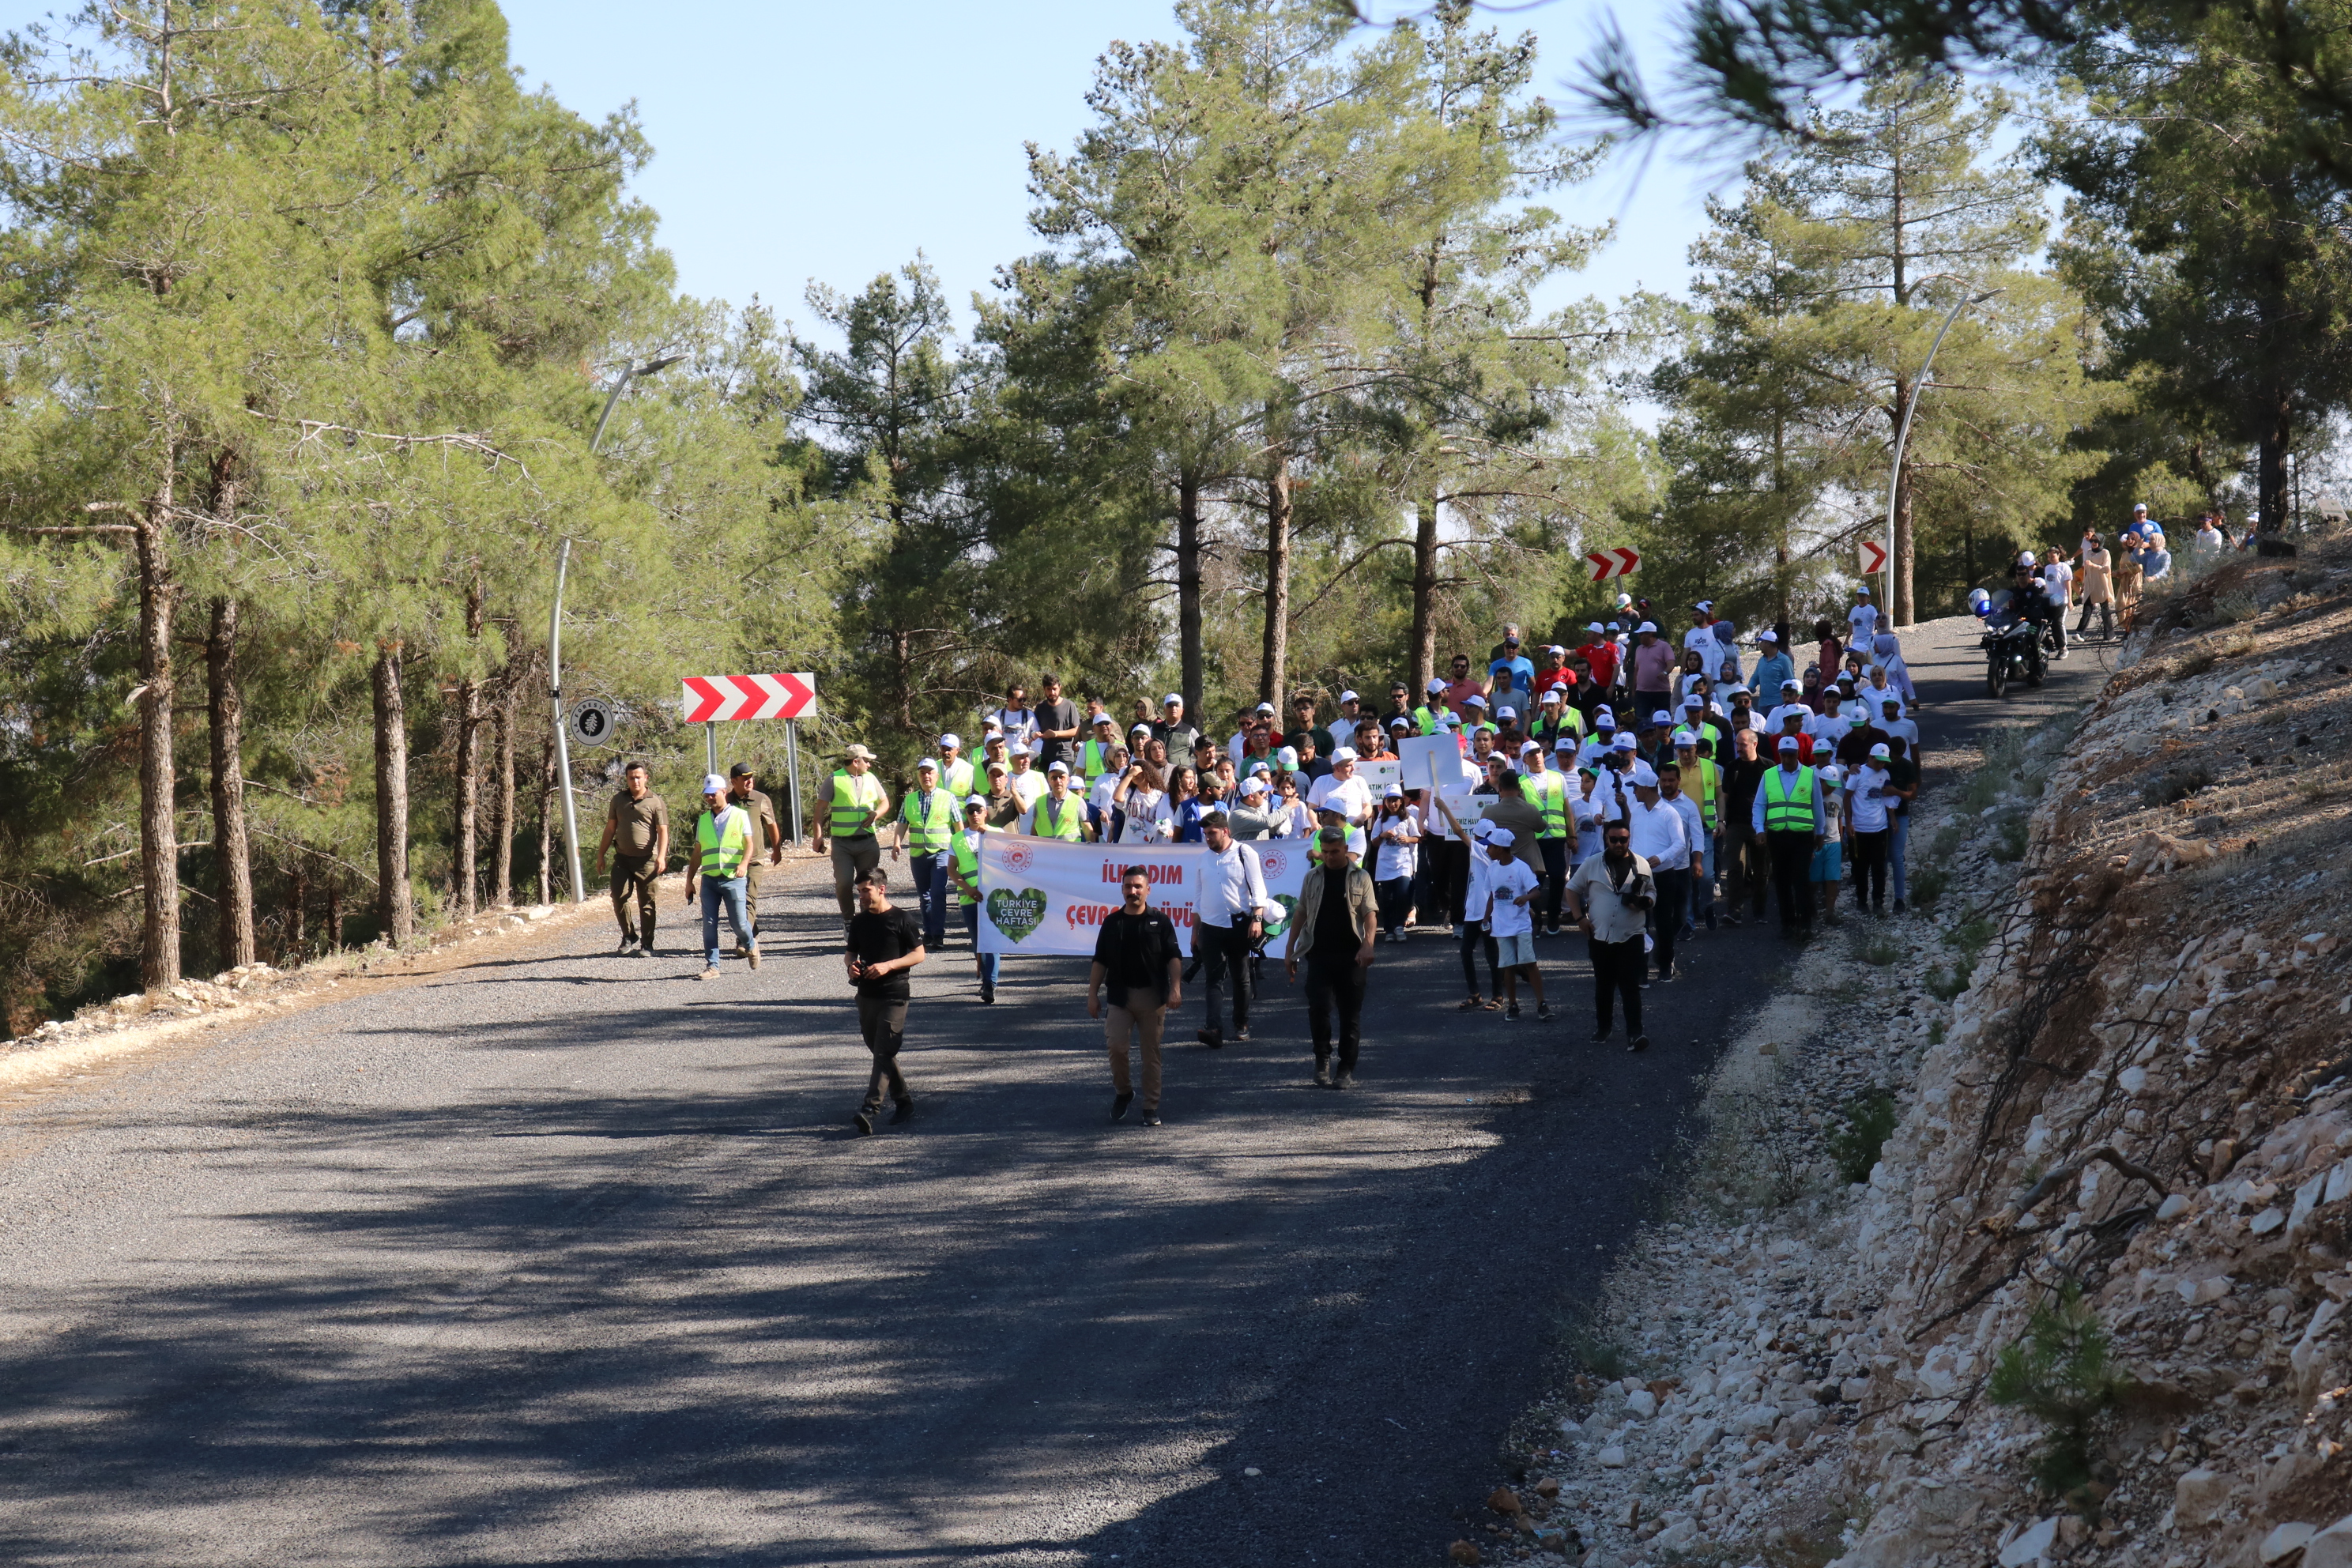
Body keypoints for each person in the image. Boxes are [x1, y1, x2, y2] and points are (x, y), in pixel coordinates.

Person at [1284, 824, 1378, 1088]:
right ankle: (1322, 1060)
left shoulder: (1361, 878)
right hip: (1319, 954)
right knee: (1319, 1008)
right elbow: (1300, 912)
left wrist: (1368, 945)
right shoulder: (1312, 877)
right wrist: (1290, 950)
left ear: (1346, 850)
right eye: (1324, 852)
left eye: (1335, 852)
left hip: (1352, 956)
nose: (1329, 857)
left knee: (1350, 1015)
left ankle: (1346, 1068)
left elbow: (1371, 914)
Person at [1087, 865, 1183, 1125]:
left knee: (1150, 1055)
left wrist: (1176, 988)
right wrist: (1092, 995)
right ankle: (1124, 1092)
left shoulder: (1160, 921)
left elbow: (1174, 957)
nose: (1133, 891)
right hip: (1120, 998)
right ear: (1122, 890)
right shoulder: (1112, 923)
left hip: (1153, 1000)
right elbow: (1100, 961)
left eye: (1138, 887)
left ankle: (1150, 1106)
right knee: (1116, 1048)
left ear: (1148, 890)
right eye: (1128, 887)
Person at [843, 867, 923, 1135]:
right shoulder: (859, 921)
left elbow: (918, 954)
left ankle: (870, 1109)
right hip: (866, 996)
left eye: (865, 891)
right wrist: (851, 967)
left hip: (894, 996)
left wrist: (889, 966)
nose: (862, 897)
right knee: (880, 1052)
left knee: (884, 1051)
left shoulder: (902, 919)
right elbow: (850, 953)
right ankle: (904, 1102)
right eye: (859, 892)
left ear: (881, 888)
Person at [1566, 820, 1653, 1051]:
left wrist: (1647, 901)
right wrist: (1579, 918)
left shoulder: (1642, 864)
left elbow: (1652, 890)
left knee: (1630, 986)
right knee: (1604, 985)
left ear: (1629, 839)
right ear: (1606, 838)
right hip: (1600, 935)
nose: (1618, 844)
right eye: (1613, 839)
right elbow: (1572, 889)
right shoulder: (1592, 863)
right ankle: (1603, 1028)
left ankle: (1635, 1034)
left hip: (1632, 934)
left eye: (1623, 840)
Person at [1193, 810, 1270, 1048]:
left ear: (1225, 831)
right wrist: (1195, 931)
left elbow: (1258, 889)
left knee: (1240, 977)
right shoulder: (1203, 858)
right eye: (1205, 834)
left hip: (1239, 925)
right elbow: (1198, 897)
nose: (1208, 838)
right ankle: (1213, 1028)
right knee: (1213, 979)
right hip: (1210, 927)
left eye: (1212, 833)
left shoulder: (1244, 853)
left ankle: (1242, 1023)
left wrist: (1257, 919)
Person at [1623, 763, 1693, 984]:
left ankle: (1665, 965)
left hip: (1663, 875)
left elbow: (1680, 843)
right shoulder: (1636, 813)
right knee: (1639, 924)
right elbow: (1632, 843)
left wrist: (1660, 858)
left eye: (1636, 788)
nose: (1633, 791)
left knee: (1664, 921)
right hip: (1641, 876)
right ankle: (1641, 970)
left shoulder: (1669, 813)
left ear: (1646, 788)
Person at [684, 773, 758, 980]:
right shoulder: (703, 820)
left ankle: (751, 944)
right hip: (709, 879)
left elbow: (749, 844)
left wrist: (744, 864)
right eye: (706, 795)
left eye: (712, 794)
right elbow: (697, 852)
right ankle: (712, 966)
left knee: (739, 925)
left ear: (724, 792)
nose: (709, 798)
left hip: (733, 877)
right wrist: (689, 881)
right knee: (709, 924)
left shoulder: (740, 815)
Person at [594, 760, 669, 956]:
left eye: (638, 777)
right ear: (626, 779)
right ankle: (629, 935)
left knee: (647, 903)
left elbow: (663, 831)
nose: (635, 781)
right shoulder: (618, 800)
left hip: (646, 861)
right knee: (618, 898)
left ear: (646, 778)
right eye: (631, 778)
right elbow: (610, 829)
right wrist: (601, 855)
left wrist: (661, 857)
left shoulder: (655, 801)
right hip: (622, 860)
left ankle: (647, 943)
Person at [1753, 735, 1825, 938]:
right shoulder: (1769, 775)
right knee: (1782, 881)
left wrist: (1819, 832)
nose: (1786, 759)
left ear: (1797, 755)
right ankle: (1788, 923)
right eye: (1783, 755)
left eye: (1790, 755)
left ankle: (1805, 922)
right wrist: (1759, 828)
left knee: (1801, 879)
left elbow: (1817, 806)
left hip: (1802, 836)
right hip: (1777, 836)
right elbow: (1760, 804)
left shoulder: (1810, 776)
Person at [1479, 827, 1549, 1021]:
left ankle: (1541, 1003)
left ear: (1500, 848)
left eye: (1490, 847)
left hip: (1520, 924)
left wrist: (1525, 897)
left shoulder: (1521, 868)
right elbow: (1493, 895)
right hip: (1501, 927)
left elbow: (1536, 891)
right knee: (1508, 966)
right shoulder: (1492, 868)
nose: (1487, 850)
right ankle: (1513, 1005)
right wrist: (1486, 917)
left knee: (1529, 963)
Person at [816, 744, 889, 926]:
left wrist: (876, 814)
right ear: (856, 762)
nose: (869, 765)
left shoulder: (871, 778)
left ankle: (867, 921)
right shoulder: (834, 779)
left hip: (867, 842)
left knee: (869, 884)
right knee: (844, 883)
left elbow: (885, 802)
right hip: (842, 844)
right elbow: (820, 808)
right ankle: (849, 921)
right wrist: (818, 836)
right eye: (867, 761)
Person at [891, 756, 959, 951]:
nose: (926, 776)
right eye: (922, 773)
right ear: (918, 776)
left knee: (938, 892)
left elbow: (958, 826)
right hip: (918, 854)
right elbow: (902, 824)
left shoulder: (948, 797)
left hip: (941, 852)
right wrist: (897, 844)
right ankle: (928, 934)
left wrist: (963, 851)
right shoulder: (910, 800)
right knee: (925, 896)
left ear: (937, 776)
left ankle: (938, 934)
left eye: (930, 773)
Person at [948, 796, 1000, 1003]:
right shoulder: (957, 838)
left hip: (995, 896)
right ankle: (986, 979)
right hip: (970, 898)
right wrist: (968, 889)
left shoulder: (998, 834)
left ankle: (990, 984)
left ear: (985, 812)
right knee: (978, 942)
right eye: (970, 811)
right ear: (966, 814)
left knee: (992, 941)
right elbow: (951, 870)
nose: (975, 814)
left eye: (978, 810)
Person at [1520, 741, 1571, 937]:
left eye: (1539, 752)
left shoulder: (1558, 777)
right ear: (1525, 759)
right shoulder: (1522, 782)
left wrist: (1571, 834)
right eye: (1531, 754)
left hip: (1557, 837)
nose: (1537, 756)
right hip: (1535, 839)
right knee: (1534, 880)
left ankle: (1553, 915)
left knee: (1558, 877)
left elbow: (1567, 809)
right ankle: (1536, 917)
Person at [1845, 744, 1896, 914]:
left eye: (1884, 762)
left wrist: (1892, 818)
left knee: (1879, 867)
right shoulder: (1858, 773)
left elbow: (1887, 797)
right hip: (1860, 828)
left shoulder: (1885, 774)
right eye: (1878, 761)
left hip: (1879, 827)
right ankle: (1861, 899)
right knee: (1861, 866)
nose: (1881, 765)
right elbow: (1847, 798)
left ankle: (1878, 901)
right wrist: (1849, 822)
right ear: (1870, 757)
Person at [1368, 784, 1421, 940]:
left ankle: (1399, 925)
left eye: (1396, 800)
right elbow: (1374, 842)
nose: (1393, 804)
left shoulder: (1408, 819)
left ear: (1401, 801)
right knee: (1388, 898)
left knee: (1403, 894)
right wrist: (1383, 835)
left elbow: (1417, 838)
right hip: (1385, 864)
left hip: (1403, 864)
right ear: (1385, 802)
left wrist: (1408, 839)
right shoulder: (1381, 820)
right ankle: (1389, 929)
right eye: (1390, 801)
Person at [1883, 733, 1920, 913]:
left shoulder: (1906, 767)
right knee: (1881, 857)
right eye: (1891, 755)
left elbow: (1913, 795)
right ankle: (1879, 896)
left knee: (1897, 856)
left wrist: (1896, 792)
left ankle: (1899, 898)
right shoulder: (1880, 763)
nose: (1893, 759)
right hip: (1878, 816)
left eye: (1897, 756)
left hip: (1901, 814)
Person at [1811, 763, 1848, 925]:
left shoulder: (1838, 799)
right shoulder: (1812, 798)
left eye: (1835, 786)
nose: (1832, 789)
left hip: (1834, 842)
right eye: (1829, 785)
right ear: (1821, 781)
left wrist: (1841, 837)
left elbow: (1839, 819)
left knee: (1832, 878)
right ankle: (1810, 908)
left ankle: (1829, 913)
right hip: (1816, 843)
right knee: (1813, 879)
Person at [1021, 760, 1092, 841]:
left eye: (1062, 777)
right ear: (1049, 781)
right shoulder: (1040, 801)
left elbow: (1087, 828)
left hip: (1070, 851)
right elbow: (1034, 828)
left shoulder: (1078, 801)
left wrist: (1093, 850)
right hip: (1046, 850)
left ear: (1067, 780)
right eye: (1054, 778)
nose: (1058, 781)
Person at [1033, 673, 1080, 771]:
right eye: (1049, 689)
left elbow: (1077, 731)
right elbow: (1034, 729)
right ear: (1044, 689)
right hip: (1045, 757)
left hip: (1064, 756)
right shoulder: (1040, 707)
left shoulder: (1069, 706)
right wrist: (1035, 734)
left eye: (1054, 689)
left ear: (1060, 688)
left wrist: (1056, 734)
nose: (1052, 692)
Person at [2075, 533, 2115, 641]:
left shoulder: (2105, 553)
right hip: (2090, 583)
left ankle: (2110, 634)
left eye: (2096, 541)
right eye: (2092, 541)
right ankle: (2080, 633)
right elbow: (2086, 570)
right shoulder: (2088, 553)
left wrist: (2094, 565)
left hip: (2101, 583)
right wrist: (2084, 583)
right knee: (2087, 608)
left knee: (2104, 609)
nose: (2093, 543)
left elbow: (2106, 569)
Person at [995, 682, 1038, 757]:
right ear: (1010, 699)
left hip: (1022, 758)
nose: (1022, 702)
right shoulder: (998, 715)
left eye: (1024, 699)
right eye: (1019, 700)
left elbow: (1037, 733)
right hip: (1003, 757)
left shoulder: (1029, 715)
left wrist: (1030, 740)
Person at [938, 733, 978, 801]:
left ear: (957, 750)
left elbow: (971, 797)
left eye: (949, 749)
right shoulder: (934, 767)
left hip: (961, 812)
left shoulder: (968, 769)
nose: (946, 752)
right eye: (943, 748)